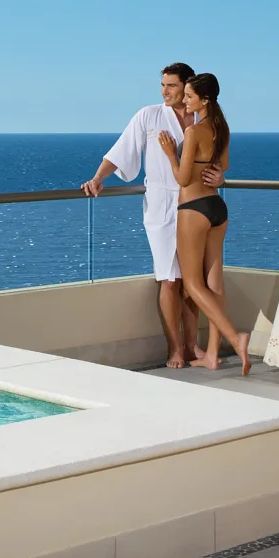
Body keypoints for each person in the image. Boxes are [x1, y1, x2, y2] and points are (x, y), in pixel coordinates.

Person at [81, 63, 223, 368]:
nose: (165, 92)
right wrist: (97, 178)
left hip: (195, 204)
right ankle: (174, 348)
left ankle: (191, 345)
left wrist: (219, 177)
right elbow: (120, 151)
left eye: (172, 86)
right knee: (169, 279)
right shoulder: (148, 116)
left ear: (188, 87)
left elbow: (216, 161)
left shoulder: (202, 120)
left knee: (190, 279)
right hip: (160, 205)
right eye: (163, 85)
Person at [156, 72, 251, 374]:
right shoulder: (222, 128)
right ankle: (211, 354)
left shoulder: (195, 131)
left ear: (204, 99)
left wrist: (172, 154)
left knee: (194, 285)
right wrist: (216, 176)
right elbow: (223, 166)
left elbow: (183, 178)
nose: (184, 101)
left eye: (189, 96)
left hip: (193, 208)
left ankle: (236, 338)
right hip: (217, 208)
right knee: (214, 285)